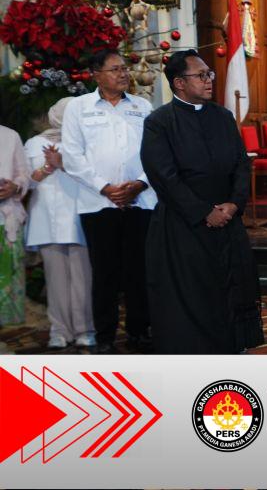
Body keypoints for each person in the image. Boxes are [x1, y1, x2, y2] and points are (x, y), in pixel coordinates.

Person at [140, 50, 263, 354]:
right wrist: (203, 211)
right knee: (192, 295)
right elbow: (164, 176)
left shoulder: (223, 116)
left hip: (227, 221)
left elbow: (241, 164)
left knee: (232, 288)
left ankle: (231, 347)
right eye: (201, 75)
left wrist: (234, 204)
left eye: (210, 74)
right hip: (184, 225)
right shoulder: (159, 122)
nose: (209, 80)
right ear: (179, 83)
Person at [62, 49, 156, 354]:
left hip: (140, 201)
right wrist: (105, 188)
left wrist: (139, 183)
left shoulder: (142, 106)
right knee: (104, 275)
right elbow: (72, 156)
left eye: (124, 68)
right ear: (96, 75)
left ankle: (139, 332)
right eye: (115, 69)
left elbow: (156, 152)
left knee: (139, 272)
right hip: (97, 204)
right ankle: (104, 337)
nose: (123, 73)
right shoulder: (78, 108)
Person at [24, 97, 94, 348]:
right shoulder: (34, 143)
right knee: (55, 280)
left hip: (81, 217)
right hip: (46, 219)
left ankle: (86, 329)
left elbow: (95, 177)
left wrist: (63, 164)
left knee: (83, 279)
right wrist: (46, 167)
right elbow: (26, 181)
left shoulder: (86, 140)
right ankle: (59, 331)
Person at [0, 125, 29, 327]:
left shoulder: (10, 136)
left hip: (6, 219)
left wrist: (15, 186)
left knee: (5, 282)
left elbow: (24, 174)